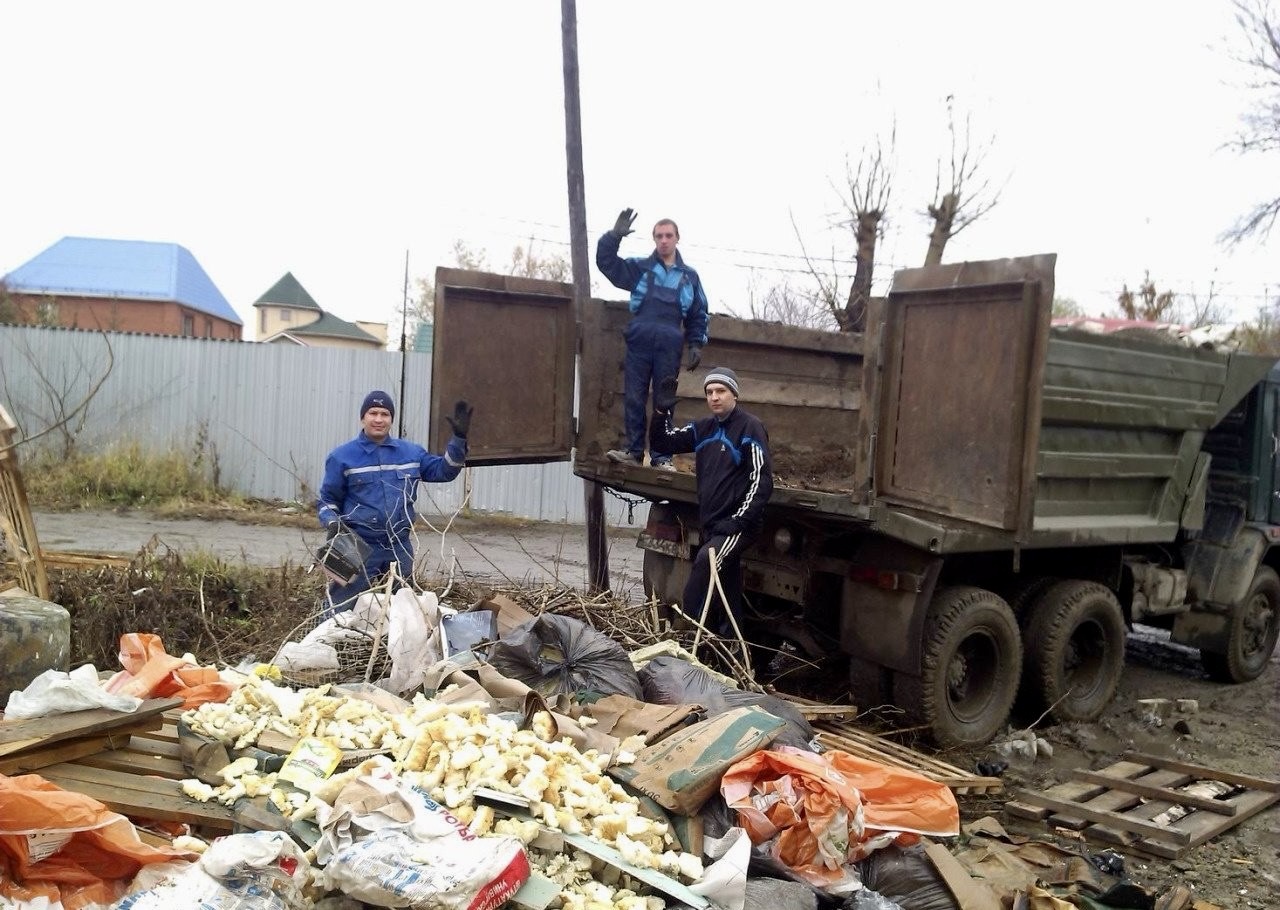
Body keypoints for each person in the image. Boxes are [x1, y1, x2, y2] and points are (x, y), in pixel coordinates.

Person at [316, 390, 473, 612]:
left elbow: (445, 471)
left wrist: (458, 439)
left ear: (391, 419)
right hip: (355, 543)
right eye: (373, 413)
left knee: (402, 610)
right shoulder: (342, 457)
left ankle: (384, 646)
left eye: (385, 414)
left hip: (398, 545)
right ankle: (324, 643)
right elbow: (327, 500)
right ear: (363, 417)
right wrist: (332, 522)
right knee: (339, 607)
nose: (379, 419)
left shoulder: (411, 453)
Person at [650, 367, 773, 638]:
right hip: (713, 525)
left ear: (734, 395)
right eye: (709, 392)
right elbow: (663, 442)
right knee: (727, 594)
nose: (714, 397)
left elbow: (761, 481)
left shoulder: (749, 427)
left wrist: (737, 522)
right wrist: (660, 412)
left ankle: (684, 633)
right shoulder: (703, 428)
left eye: (721, 391)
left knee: (707, 561)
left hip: (736, 526)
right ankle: (733, 651)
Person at [596, 208, 710, 470]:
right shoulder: (639, 268)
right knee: (634, 396)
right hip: (640, 340)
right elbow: (607, 264)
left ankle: (662, 457)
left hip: (670, 344)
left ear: (677, 238)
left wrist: (696, 343)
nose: (663, 240)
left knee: (664, 401)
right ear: (654, 239)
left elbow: (698, 312)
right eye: (659, 236)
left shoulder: (689, 276)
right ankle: (634, 452)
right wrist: (613, 237)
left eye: (668, 235)